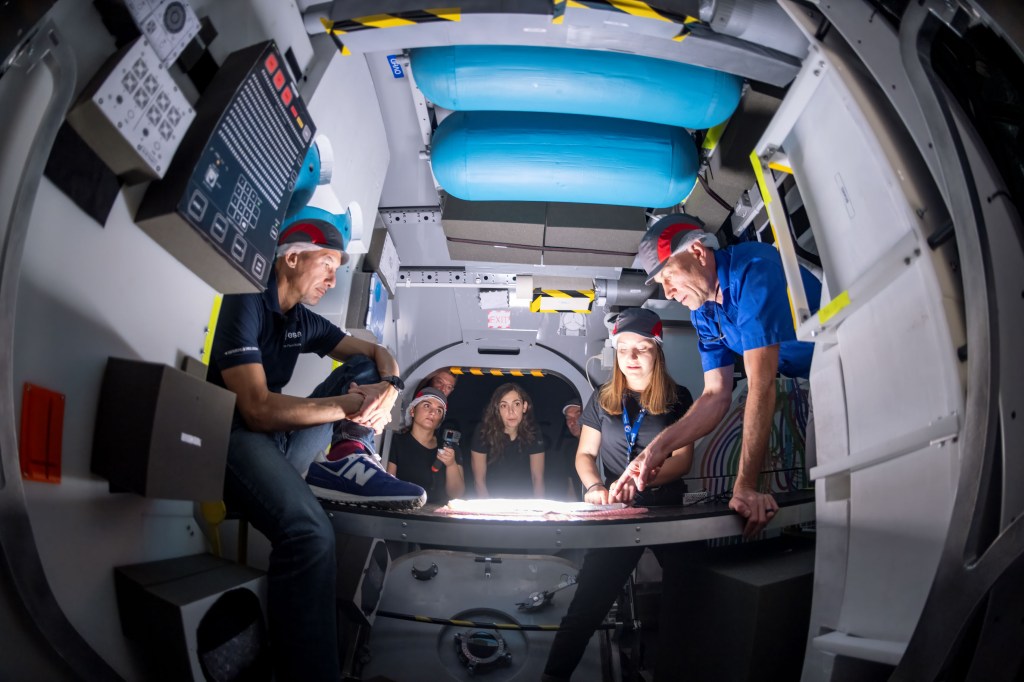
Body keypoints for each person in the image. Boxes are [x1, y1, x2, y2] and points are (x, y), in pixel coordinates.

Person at [206, 221, 425, 681]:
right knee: (312, 534)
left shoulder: (300, 320)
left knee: (364, 366)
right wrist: (352, 402)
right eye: (327, 266)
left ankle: (347, 452)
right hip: (233, 436)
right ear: (291, 258)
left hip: (277, 442)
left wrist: (388, 389)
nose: (332, 280)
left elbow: (377, 351)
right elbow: (258, 410)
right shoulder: (245, 299)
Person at [620, 213, 821, 538]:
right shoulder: (705, 313)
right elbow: (715, 396)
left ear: (698, 253)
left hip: (850, 359)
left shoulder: (754, 271)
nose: (669, 293)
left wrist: (744, 487)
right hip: (819, 378)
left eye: (669, 276)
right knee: (821, 480)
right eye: (662, 285)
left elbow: (761, 381)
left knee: (835, 483)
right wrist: (653, 452)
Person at [543, 307, 694, 682]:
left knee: (693, 598)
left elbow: (681, 462)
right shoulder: (603, 399)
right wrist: (595, 486)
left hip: (667, 511)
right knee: (586, 607)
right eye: (623, 349)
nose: (630, 358)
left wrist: (640, 481)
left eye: (641, 348)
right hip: (619, 512)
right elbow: (585, 455)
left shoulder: (678, 398)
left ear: (656, 350)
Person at [387, 387, 466, 504]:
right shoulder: (396, 443)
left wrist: (451, 464)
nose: (433, 413)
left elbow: (456, 494)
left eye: (439, 410)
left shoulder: (450, 448)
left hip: (438, 516)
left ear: (440, 421)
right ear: (412, 411)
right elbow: (389, 487)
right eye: (427, 406)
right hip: (405, 512)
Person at [470, 383, 545, 498]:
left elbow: (538, 478)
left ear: (524, 407)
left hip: (525, 504)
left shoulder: (533, 431)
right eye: (504, 406)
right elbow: (479, 481)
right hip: (492, 502)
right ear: (497, 410)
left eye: (516, 404)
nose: (511, 411)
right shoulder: (483, 431)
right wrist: (489, 513)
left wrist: (538, 512)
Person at [546, 398, 583, 501]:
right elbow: (571, 490)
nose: (572, 422)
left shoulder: (605, 445)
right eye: (568, 418)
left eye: (577, 414)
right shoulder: (570, 451)